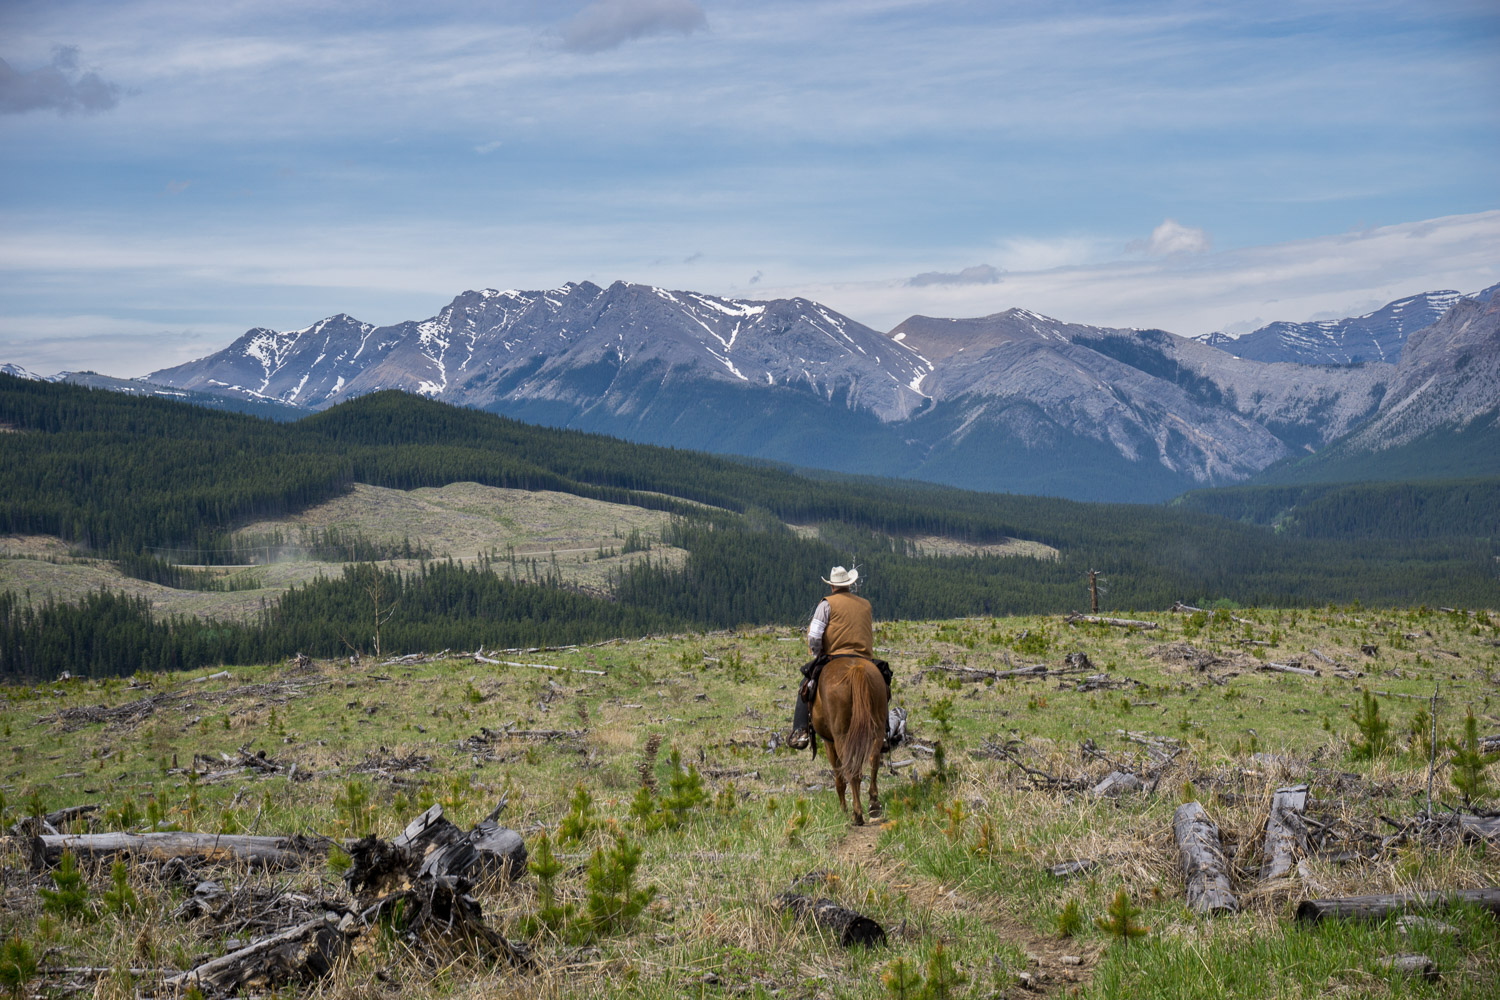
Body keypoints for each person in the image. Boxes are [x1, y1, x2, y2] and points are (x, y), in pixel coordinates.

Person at [789, 565, 887, 750]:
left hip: (834, 656)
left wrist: (818, 655)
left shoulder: (826, 604)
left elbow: (815, 635)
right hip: (864, 658)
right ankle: (884, 731)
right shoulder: (865, 604)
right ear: (849, 585)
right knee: (884, 683)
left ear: (832, 586)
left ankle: (801, 731)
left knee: (806, 683)